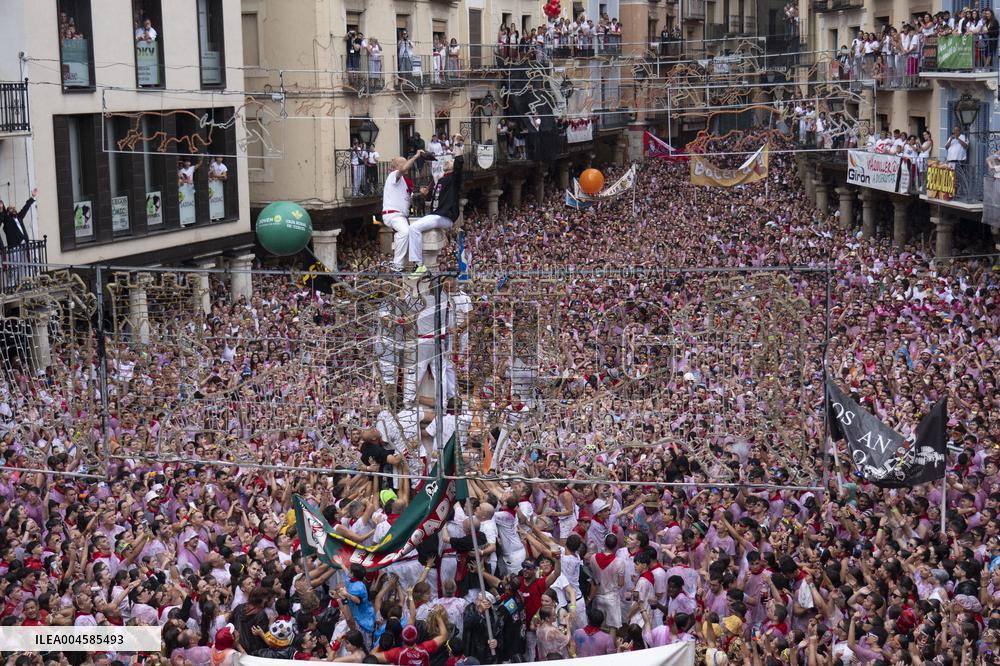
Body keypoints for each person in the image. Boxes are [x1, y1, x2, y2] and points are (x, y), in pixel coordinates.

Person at [407, 154, 464, 273]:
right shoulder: (441, 180)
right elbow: (435, 202)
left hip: (445, 216)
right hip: (438, 215)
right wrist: (426, 194)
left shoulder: (454, 178)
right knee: (415, 227)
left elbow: (459, 164)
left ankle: (418, 264)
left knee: (414, 228)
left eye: (451, 161)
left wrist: (458, 145)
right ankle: (419, 264)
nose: (447, 162)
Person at [382, 150, 425, 271]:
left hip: (401, 215)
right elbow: (401, 170)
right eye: (404, 163)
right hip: (393, 215)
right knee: (405, 232)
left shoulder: (405, 182)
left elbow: (409, 200)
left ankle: (411, 263)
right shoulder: (393, 175)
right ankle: (397, 263)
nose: (407, 166)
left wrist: (421, 194)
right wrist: (416, 156)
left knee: (411, 233)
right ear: (397, 167)